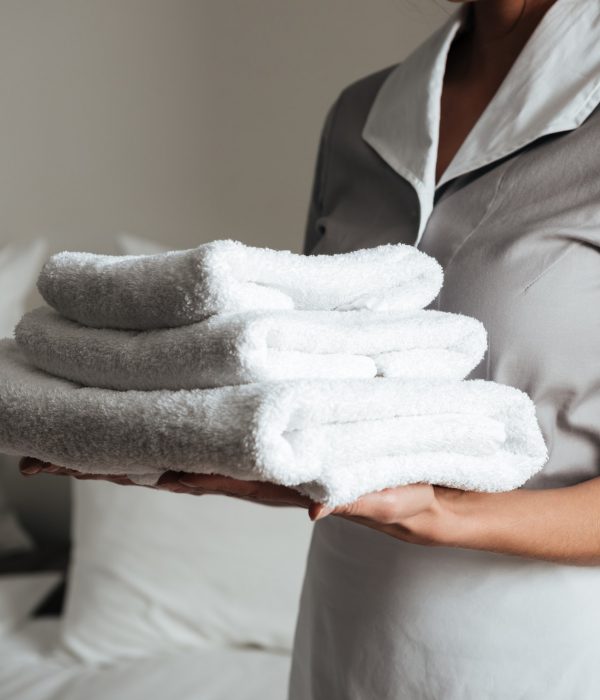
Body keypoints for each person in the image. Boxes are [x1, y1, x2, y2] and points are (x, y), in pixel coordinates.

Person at [21, 0, 600, 696]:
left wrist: (441, 513)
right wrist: (238, 461)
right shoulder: (364, 113)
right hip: (345, 635)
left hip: (544, 652)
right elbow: (321, 400)